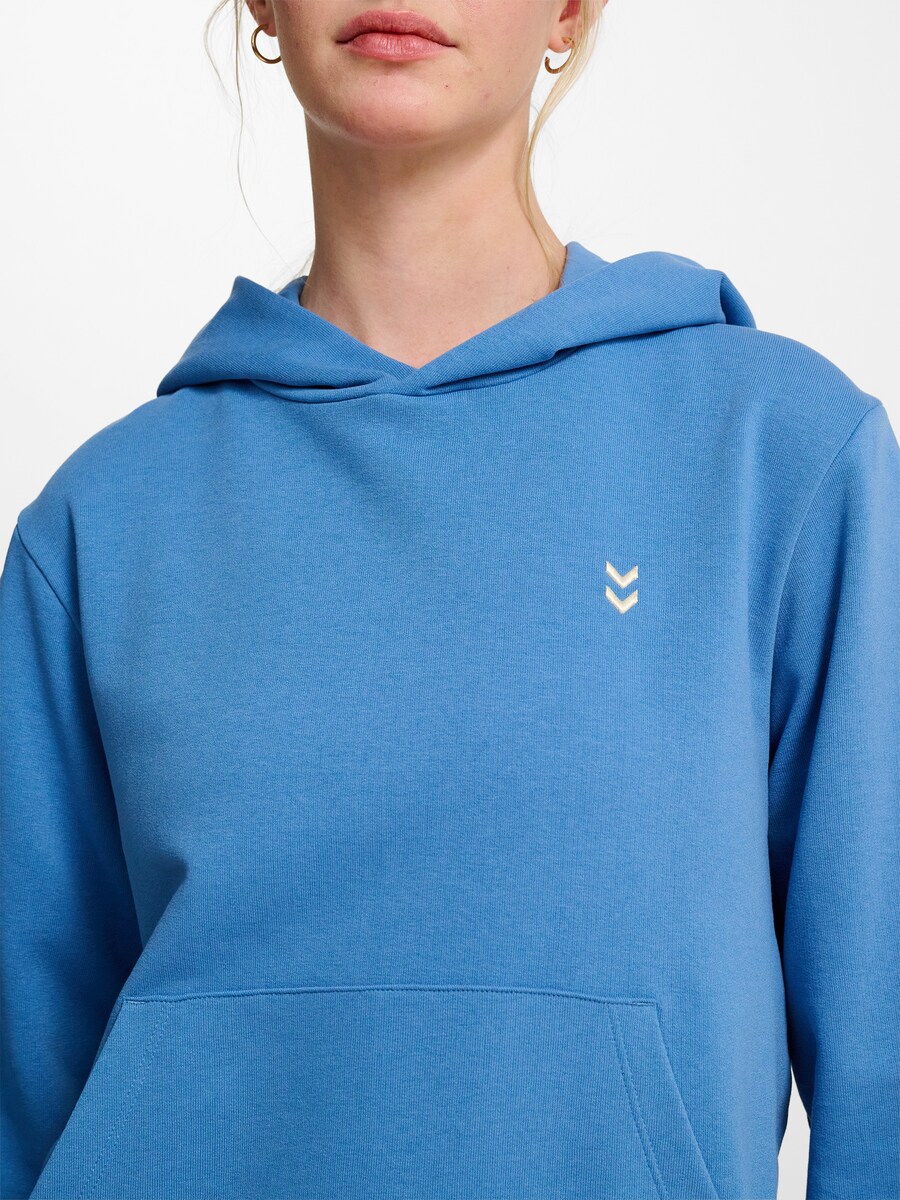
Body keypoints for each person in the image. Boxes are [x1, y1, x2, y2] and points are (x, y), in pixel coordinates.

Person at [2, 2, 898, 1198]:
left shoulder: (776, 455)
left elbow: (883, 1071)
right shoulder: (99, 523)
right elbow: (22, 1097)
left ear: (570, 9)